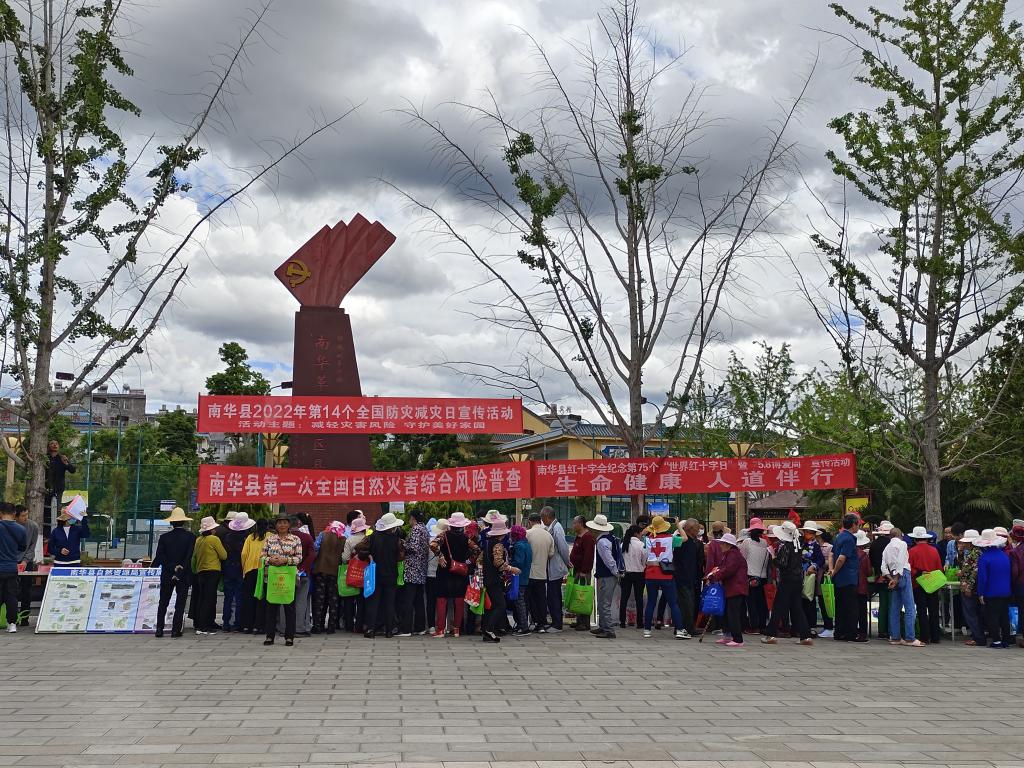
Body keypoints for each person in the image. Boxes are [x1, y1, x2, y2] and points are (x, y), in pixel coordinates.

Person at [762, 522, 813, 645]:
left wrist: (774, 558)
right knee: (797, 608)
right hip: (798, 579)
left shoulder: (785, 546)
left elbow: (783, 564)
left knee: (778, 606)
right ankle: (805, 636)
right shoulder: (797, 545)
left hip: (787, 580)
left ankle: (770, 634)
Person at [358, 512, 405, 639]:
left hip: (375, 574)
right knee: (389, 603)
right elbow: (401, 557)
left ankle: (371, 629)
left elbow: (359, 549)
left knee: (373, 602)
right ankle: (389, 631)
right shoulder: (397, 540)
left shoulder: (372, 537)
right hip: (391, 574)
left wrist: (369, 555)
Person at [431, 511, 478, 637]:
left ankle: (441, 630)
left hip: (444, 571)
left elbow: (433, 545)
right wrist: (468, 561)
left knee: (442, 600)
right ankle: (456, 629)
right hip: (460, 572)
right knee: (459, 600)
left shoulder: (444, 535)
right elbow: (477, 550)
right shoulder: (466, 538)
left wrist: (440, 556)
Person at [151, 507, 195, 638]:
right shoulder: (191, 537)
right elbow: (189, 556)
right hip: (184, 574)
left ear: (171, 522)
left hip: (167, 573)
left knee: (163, 602)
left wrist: (172, 567)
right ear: (184, 522)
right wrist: (180, 569)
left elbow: (160, 556)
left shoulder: (164, 537)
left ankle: (159, 629)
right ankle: (175, 630)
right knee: (180, 604)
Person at [262, 513, 302, 646]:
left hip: (289, 577)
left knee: (289, 608)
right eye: (279, 522)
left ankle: (289, 637)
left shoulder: (295, 539)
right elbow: (262, 557)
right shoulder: (269, 539)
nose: (282, 525)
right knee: (271, 608)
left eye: (285, 522)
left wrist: (286, 560)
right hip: (271, 577)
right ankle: (269, 636)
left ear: (289, 524)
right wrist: (270, 560)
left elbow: (299, 558)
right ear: (276, 525)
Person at [642, 515, 685, 639]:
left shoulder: (647, 539)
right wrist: (678, 524)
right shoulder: (671, 539)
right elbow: (685, 538)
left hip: (650, 574)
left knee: (651, 603)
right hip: (666, 574)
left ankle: (647, 630)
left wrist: (650, 529)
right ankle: (680, 630)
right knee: (673, 603)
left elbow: (643, 534)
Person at [881, 527, 923, 646]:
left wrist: (891, 578)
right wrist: (897, 578)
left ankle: (895, 637)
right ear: (901, 535)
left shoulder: (887, 548)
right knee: (909, 607)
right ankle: (910, 638)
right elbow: (900, 561)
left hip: (892, 574)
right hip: (903, 573)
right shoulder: (903, 544)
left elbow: (883, 567)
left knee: (895, 608)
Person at [480, 518, 516, 643]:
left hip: (486, 578)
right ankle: (489, 630)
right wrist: (511, 569)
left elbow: (480, 560)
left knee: (490, 606)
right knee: (500, 605)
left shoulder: (487, 543)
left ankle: (486, 630)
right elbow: (498, 562)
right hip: (494, 579)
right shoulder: (498, 545)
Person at [975, 528, 1012, 648]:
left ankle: (996, 640)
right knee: (1004, 616)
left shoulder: (984, 558)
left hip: (991, 591)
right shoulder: (1004, 556)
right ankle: (1006, 639)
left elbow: (982, 578)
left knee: (992, 617)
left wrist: (981, 593)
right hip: (1005, 591)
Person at [708, 533, 747, 647]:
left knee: (733, 613)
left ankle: (738, 639)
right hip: (730, 588)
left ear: (728, 544)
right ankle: (727, 635)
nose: (720, 545)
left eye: (722, 543)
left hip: (736, 588)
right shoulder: (728, 554)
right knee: (726, 613)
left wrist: (715, 576)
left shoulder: (733, 555)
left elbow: (728, 570)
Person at [906, 525, 942, 644]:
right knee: (933, 610)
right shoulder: (934, 550)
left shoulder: (912, 551)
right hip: (933, 583)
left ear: (914, 539)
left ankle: (924, 636)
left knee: (921, 611)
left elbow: (909, 569)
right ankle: (935, 636)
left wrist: (918, 573)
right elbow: (939, 568)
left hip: (918, 584)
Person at [191, 516, 227, 635]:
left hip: (200, 572)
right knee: (209, 599)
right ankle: (205, 626)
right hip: (213, 571)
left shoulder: (198, 540)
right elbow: (223, 555)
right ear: (212, 529)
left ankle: (201, 623)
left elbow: (194, 557)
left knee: (202, 598)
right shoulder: (214, 539)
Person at [830, 513, 861, 642]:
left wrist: (832, 570)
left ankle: (839, 632)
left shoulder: (839, 537)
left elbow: (831, 554)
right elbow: (842, 558)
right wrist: (835, 570)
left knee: (840, 606)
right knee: (851, 607)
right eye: (858, 524)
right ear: (853, 525)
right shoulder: (849, 539)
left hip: (839, 579)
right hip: (848, 576)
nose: (858, 527)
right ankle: (851, 633)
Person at [588, 514, 619, 639]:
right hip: (609, 575)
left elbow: (609, 560)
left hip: (607, 575)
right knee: (602, 602)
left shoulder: (602, 542)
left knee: (604, 603)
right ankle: (603, 626)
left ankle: (609, 630)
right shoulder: (611, 538)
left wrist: (615, 572)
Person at [311, 520, 345, 635]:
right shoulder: (343, 538)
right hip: (335, 571)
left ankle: (317, 625)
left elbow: (315, 548)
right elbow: (344, 556)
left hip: (321, 570)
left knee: (319, 599)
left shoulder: (322, 534)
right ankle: (331, 627)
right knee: (333, 599)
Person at [738, 517, 771, 634]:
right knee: (761, 602)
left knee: (751, 603)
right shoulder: (765, 543)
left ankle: (753, 626)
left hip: (750, 576)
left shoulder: (746, 542)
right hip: (762, 577)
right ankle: (762, 625)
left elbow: (742, 560)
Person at [221, 511, 253, 632]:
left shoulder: (227, 537)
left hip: (228, 568)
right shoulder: (247, 538)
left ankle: (226, 622)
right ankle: (238, 622)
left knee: (228, 597)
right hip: (241, 568)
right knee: (240, 596)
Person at [542, 507, 571, 633]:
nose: (542, 520)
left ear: (547, 516)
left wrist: (567, 562)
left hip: (556, 567)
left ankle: (557, 624)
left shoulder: (557, 528)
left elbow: (563, 548)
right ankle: (556, 621)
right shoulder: (553, 527)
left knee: (553, 596)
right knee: (554, 595)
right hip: (553, 567)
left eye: (543, 518)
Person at [401, 509, 430, 636]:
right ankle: (420, 627)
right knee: (419, 600)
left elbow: (413, 547)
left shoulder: (416, 529)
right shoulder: (425, 529)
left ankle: (406, 629)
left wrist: (403, 544)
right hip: (421, 569)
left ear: (413, 518)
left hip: (412, 569)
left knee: (408, 599)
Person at [673, 518, 702, 639]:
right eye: (697, 529)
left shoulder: (692, 542)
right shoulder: (684, 542)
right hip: (683, 577)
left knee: (688, 603)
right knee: (686, 604)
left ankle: (687, 627)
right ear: (691, 529)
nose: (699, 531)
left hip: (689, 577)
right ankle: (684, 628)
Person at [799, 521, 829, 637]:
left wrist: (814, 566)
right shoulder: (798, 543)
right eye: (808, 532)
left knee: (809, 601)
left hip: (809, 577)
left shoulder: (815, 546)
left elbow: (821, 560)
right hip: (798, 574)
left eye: (812, 533)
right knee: (799, 602)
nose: (809, 535)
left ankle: (811, 626)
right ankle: (800, 626)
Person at [525, 512, 555, 632]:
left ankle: (533, 621)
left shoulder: (527, 534)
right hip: (542, 573)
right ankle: (541, 623)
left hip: (529, 572)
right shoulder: (548, 536)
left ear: (530, 522)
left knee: (530, 599)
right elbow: (551, 554)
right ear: (540, 521)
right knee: (541, 599)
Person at [240, 518, 269, 634]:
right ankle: (259, 626)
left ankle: (247, 626)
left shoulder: (250, 537)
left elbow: (244, 554)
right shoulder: (270, 536)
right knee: (261, 598)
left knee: (248, 598)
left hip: (249, 570)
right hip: (263, 570)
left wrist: (244, 568)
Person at [0, 504, 26, 633]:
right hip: (11, 567)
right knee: (11, 596)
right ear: (14, 513)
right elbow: (22, 547)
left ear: (0, 513)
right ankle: (12, 624)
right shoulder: (21, 529)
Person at [341, 514, 368, 633]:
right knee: (362, 600)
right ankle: (360, 625)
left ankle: (349, 625)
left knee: (349, 599)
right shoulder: (367, 539)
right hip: (365, 572)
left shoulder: (349, 540)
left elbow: (345, 558)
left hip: (352, 572)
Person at [568, 514, 595, 631]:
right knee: (577, 594)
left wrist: (584, 571)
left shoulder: (587, 537)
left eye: (575, 523)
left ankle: (585, 622)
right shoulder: (579, 536)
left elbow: (588, 555)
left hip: (583, 571)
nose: (573, 525)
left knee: (583, 595)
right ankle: (579, 620)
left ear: (581, 524)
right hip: (576, 570)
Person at [291, 513, 316, 638]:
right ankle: (299, 628)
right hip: (303, 574)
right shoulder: (307, 537)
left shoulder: (282, 538)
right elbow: (312, 555)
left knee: (285, 600)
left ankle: (283, 627)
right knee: (301, 601)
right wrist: (303, 568)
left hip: (286, 572)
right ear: (299, 523)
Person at [14, 506, 39, 627]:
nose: (26, 517)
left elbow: (32, 547)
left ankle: (25, 618)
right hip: (11, 561)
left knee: (26, 590)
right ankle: (12, 617)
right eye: (23, 515)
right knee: (11, 590)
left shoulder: (33, 526)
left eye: (27, 514)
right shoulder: (10, 526)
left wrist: (24, 561)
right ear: (16, 516)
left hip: (27, 562)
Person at [619, 523, 646, 629]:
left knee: (624, 598)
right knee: (639, 598)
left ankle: (622, 622)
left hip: (626, 574)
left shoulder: (623, 544)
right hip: (639, 574)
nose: (641, 535)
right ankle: (639, 623)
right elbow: (644, 560)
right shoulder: (641, 545)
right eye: (641, 533)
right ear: (636, 533)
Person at [870, 520, 894, 639]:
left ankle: (881, 630)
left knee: (883, 604)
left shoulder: (874, 543)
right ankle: (890, 629)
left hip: (879, 577)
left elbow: (871, 560)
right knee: (891, 604)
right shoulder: (891, 544)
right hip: (891, 577)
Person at [508, 524, 532, 634]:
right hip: (526, 575)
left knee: (519, 602)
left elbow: (518, 562)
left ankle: (523, 627)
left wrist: (509, 564)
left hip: (518, 577)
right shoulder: (527, 544)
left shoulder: (518, 546)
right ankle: (522, 625)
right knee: (522, 601)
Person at [44, 440, 75, 526]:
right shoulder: (45, 458)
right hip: (45, 488)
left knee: (57, 509)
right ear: (48, 446)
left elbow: (73, 470)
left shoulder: (62, 458)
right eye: (52, 443)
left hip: (58, 489)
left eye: (56, 443)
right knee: (45, 510)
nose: (54, 445)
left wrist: (66, 463)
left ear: (59, 446)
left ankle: (57, 528)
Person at [426, 518, 447, 634]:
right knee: (442, 601)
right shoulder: (446, 541)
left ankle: (431, 626)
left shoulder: (430, 541)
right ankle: (444, 625)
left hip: (430, 573)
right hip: (442, 574)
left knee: (430, 601)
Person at [1009, 524, 1024, 648]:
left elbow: (1014, 572)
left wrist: (1012, 583)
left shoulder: (1015, 552)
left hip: (1021, 585)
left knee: (1021, 611)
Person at [855, 530, 871, 641]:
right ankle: (863, 634)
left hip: (851, 585)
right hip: (862, 586)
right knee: (862, 611)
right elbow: (868, 572)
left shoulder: (848, 553)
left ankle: (852, 631)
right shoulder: (864, 555)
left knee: (852, 610)